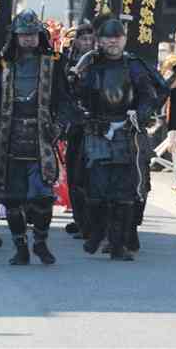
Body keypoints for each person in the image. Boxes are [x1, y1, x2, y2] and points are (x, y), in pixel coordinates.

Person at [0, 9, 72, 266]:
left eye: (32, 34)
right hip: (9, 139)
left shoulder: (52, 65)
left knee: (43, 197)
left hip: (41, 140)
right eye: (23, 34)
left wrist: (61, 124)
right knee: (12, 199)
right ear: (16, 37)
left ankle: (40, 242)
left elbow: (65, 101)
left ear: (39, 35)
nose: (28, 39)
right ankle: (20, 247)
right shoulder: (3, 65)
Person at [74, 17, 165, 261]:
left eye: (117, 37)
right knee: (96, 189)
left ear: (124, 39)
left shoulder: (133, 65)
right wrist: (86, 114)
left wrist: (142, 113)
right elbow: (76, 95)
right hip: (98, 130)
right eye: (107, 37)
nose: (113, 41)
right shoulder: (90, 64)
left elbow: (151, 94)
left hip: (128, 129)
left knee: (126, 192)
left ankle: (118, 243)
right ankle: (97, 232)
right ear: (99, 40)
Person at [62, 23, 95, 239]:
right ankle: (80, 219)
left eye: (90, 39)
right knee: (74, 175)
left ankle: (92, 223)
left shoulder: (99, 63)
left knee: (91, 177)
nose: (87, 43)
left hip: (95, 125)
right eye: (83, 39)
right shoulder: (67, 64)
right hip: (75, 125)